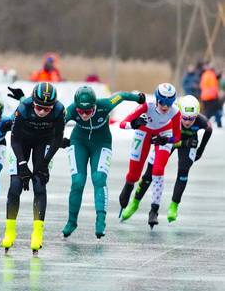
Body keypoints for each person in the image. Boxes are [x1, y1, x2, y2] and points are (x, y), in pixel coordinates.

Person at [61, 86, 146, 239]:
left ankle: (101, 220)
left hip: (101, 143)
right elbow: (55, 124)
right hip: (78, 142)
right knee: (77, 181)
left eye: (89, 111)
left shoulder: (105, 104)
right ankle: (71, 221)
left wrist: (138, 98)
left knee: (99, 179)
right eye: (81, 112)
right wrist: (58, 140)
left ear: (95, 105)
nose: (85, 115)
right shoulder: (71, 109)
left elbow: (121, 95)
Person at [121, 95, 211, 224]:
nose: (187, 122)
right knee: (150, 172)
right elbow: (159, 129)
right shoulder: (172, 114)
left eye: (192, 118)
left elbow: (209, 129)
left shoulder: (202, 122)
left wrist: (200, 151)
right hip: (171, 140)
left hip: (188, 143)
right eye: (184, 117)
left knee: (184, 170)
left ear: (197, 115)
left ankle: (174, 206)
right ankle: (135, 202)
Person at [1, 82, 65, 255]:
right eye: (38, 107)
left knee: (39, 184)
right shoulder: (23, 108)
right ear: (33, 102)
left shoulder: (60, 110)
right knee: (15, 185)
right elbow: (14, 140)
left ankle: (37, 233)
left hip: (44, 142)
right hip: (21, 143)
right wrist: (22, 165)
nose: (42, 111)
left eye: (47, 108)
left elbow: (58, 139)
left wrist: (44, 163)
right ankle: (9, 231)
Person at [117, 83, 181, 228]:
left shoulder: (175, 112)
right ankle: (128, 188)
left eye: (169, 104)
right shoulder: (147, 106)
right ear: (157, 100)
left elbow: (177, 138)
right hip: (144, 132)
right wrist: (134, 124)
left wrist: (166, 140)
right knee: (134, 174)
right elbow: (122, 123)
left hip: (164, 133)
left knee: (158, 171)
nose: (165, 107)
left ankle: (154, 210)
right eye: (163, 103)